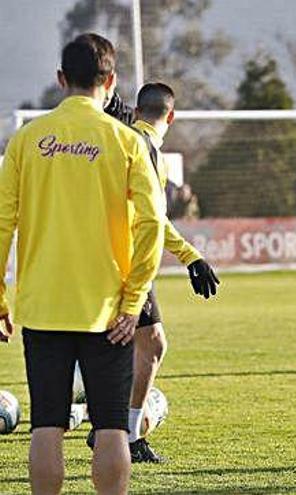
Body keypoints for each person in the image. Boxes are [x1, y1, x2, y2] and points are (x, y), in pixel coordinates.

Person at [0, 33, 164, 495]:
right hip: (110, 311)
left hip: (44, 306)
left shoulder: (27, 139)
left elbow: (1, 223)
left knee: (46, 425)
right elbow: (152, 224)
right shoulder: (127, 141)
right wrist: (134, 302)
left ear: (60, 80)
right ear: (110, 82)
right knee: (112, 426)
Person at [91, 81, 220, 463]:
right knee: (151, 345)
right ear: (172, 115)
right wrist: (191, 256)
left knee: (120, 343)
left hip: (97, 255)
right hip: (129, 259)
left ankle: (106, 427)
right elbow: (154, 218)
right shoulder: (145, 148)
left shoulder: (120, 136)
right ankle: (124, 435)